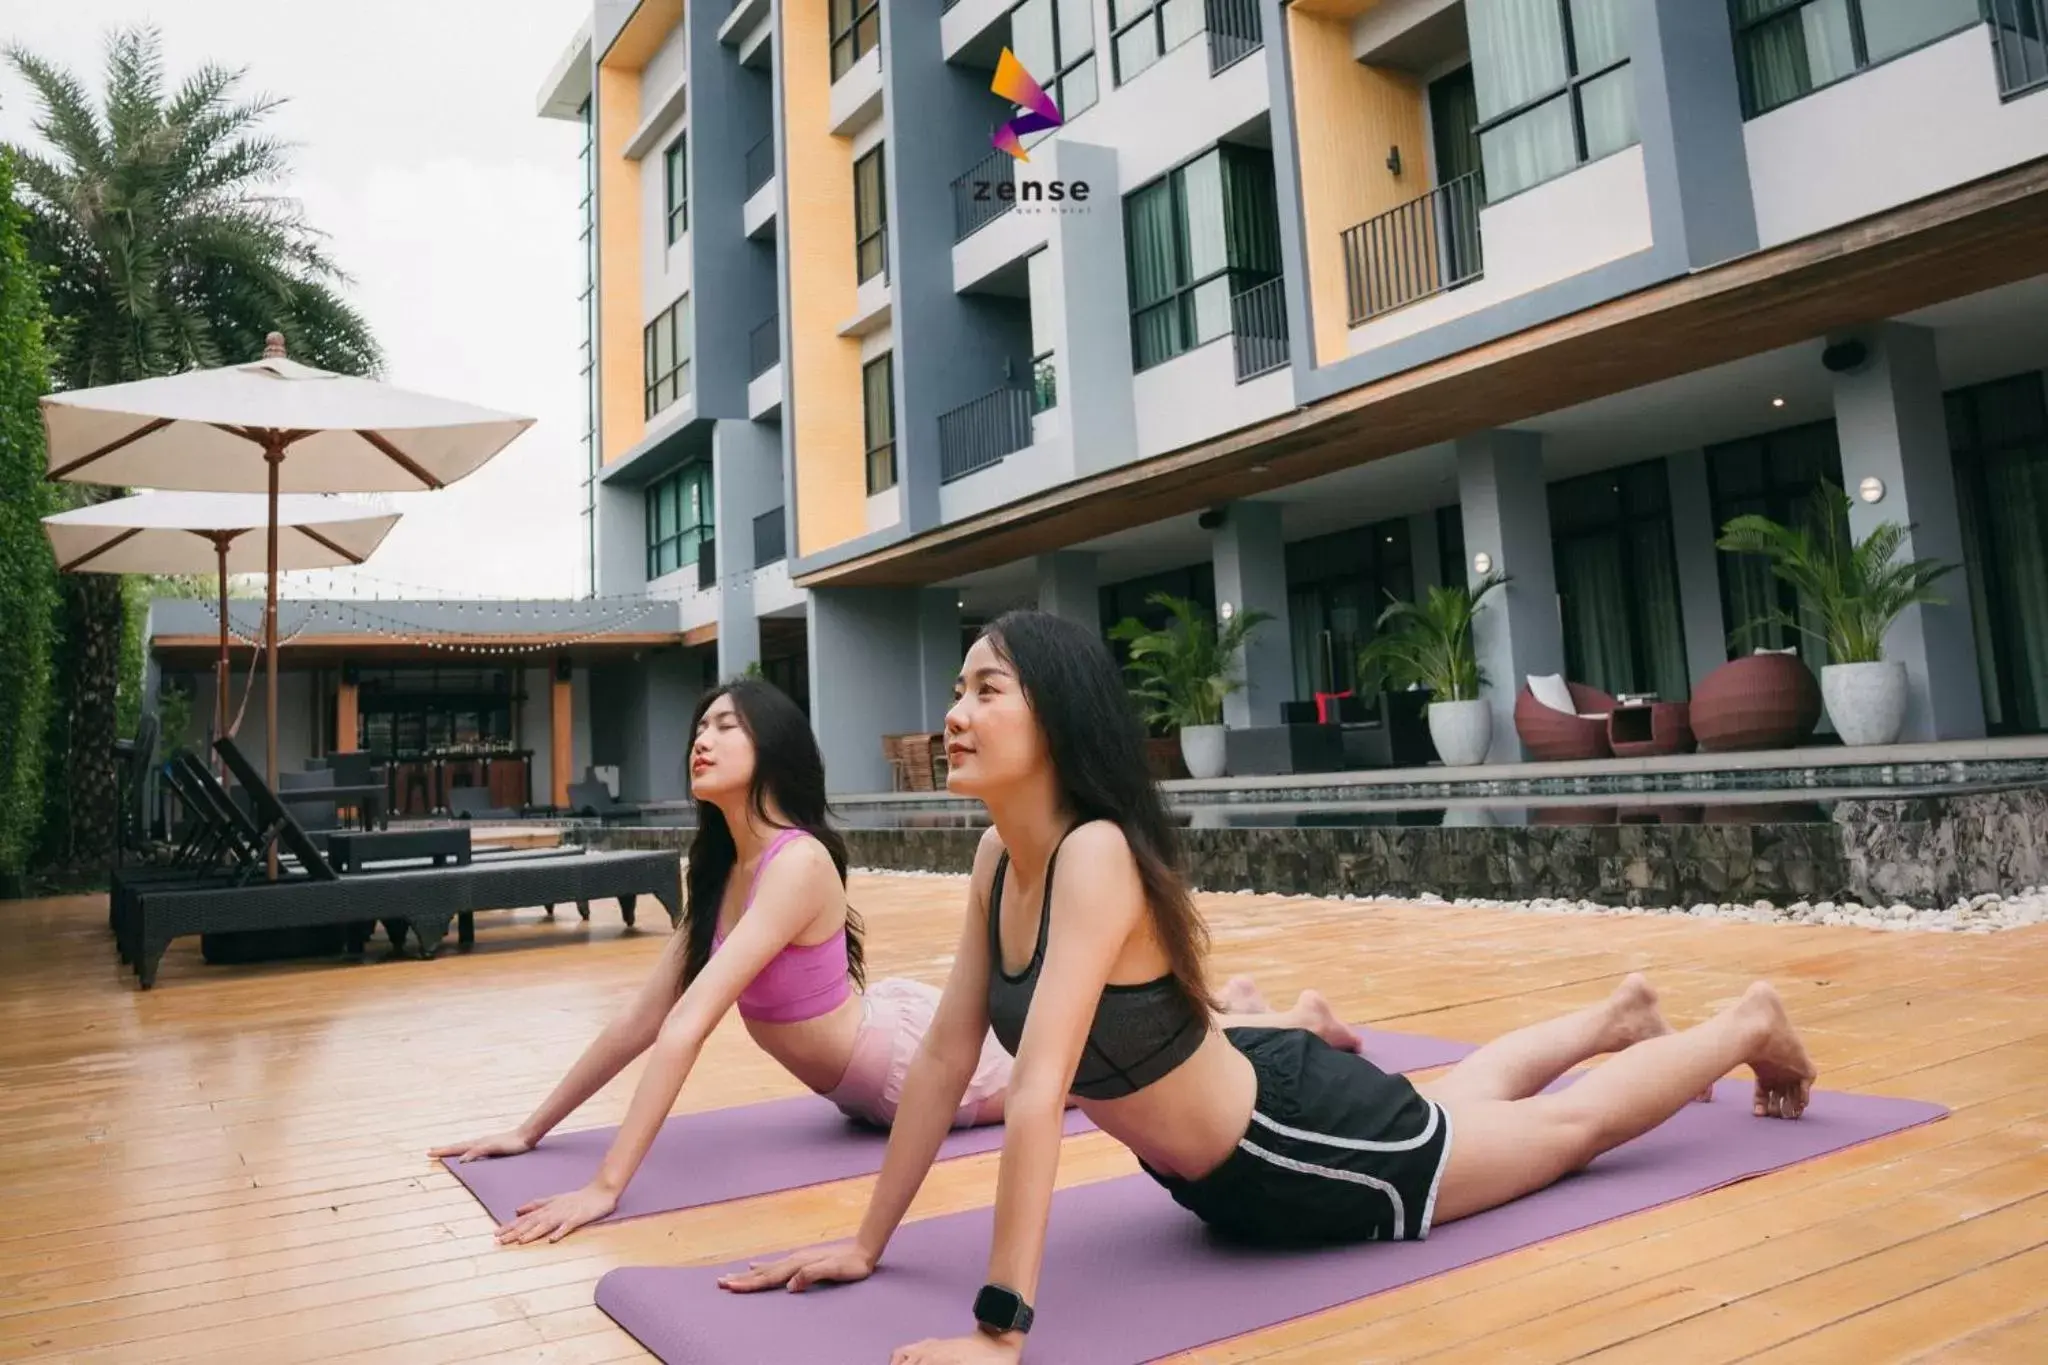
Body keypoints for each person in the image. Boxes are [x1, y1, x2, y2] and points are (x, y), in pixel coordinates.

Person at [718, 612, 1818, 1365]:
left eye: (987, 689)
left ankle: (1739, 1022)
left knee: (1559, 1134)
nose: (955, 711)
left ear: (1054, 716)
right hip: (1246, 1128)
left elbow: (1041, 1088)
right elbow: (949, 1059)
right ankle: (1612, 1014)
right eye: (957, 689)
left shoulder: (1094, 853)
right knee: (1446, 1119)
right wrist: (867, 1242)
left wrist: (999, 1329)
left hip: (1291, 1147)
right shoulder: (999, 860)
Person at [430, 678, 1355, 1246]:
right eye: (697, 728)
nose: (700, 741)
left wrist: (603, 1187)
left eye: (726, 726)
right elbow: (640, 1021)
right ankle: (1238, 1003)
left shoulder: (793, 865)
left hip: (909, 1069)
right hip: (882, 1049)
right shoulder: (723, 872)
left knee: (1095, 1064)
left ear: (774, 754)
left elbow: (688, 1026)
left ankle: (1289, 1019)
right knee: (1093, 1050)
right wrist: (530, 1127)